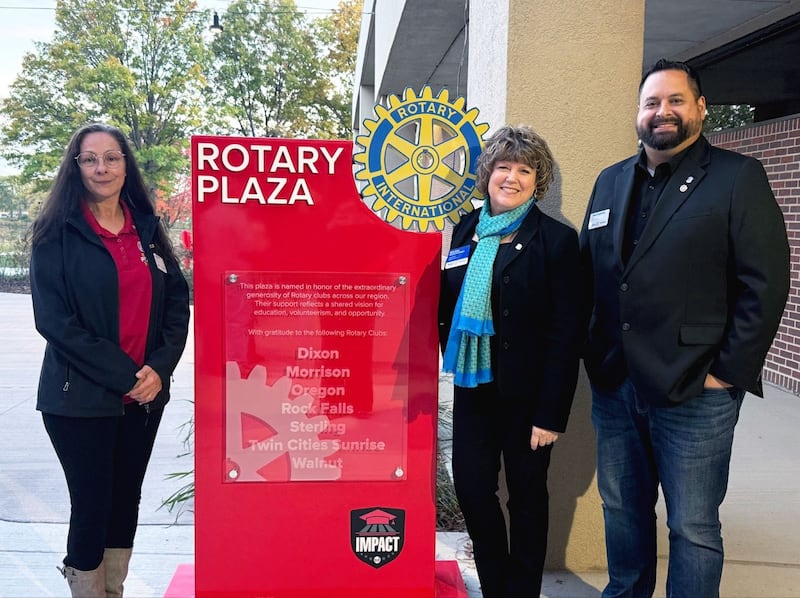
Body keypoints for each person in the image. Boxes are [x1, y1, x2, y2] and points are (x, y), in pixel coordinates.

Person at [580, 59, 790, 598]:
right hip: (615, 381)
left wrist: (728, 374)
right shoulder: (609, 181)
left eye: (675, 100)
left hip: (697, 387)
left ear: (699, 108)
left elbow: (764, 284)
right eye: (652, 102)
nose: (663, 112)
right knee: (623, 509)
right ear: (638, 114)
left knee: (693, 527)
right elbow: (591, 275)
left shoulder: (736, 177)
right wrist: (591, 349)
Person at [29, 123, 190, 597]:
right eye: (90, 158)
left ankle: (112, 591)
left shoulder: (146, 227)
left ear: (125, 165)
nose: (102, 167)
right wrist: (127, 374)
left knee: (124, 503)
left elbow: (177, 301)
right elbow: (54, 321)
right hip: (77, 398)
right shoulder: (56, 231)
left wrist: (159, 370)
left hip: (144, 397)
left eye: (112, 158)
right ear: (75, 167)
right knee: (93, 504)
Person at [438, 125, 585, 597]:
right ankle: (496, 584)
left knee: (526, 498)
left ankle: (521, 592)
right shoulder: (466, 230)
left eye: (525, 169)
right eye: (504, 166)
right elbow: (448, 303)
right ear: (488, 173)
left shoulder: (557, 242)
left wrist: (550, 414)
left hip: (529, 400)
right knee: (474, 490)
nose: (512, 177)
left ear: (537, 180)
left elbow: (567, 335)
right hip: (474, 390)